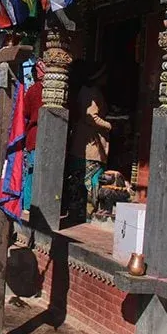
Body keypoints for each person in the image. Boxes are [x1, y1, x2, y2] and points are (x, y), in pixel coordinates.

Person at [69, 62, 111, 221]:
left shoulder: (83, 91)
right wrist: (109, 125)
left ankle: (77, 213)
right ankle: (87, 214)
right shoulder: (92, 92)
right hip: (91, 146)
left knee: (78, 181)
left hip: (81, 144)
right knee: (91, 181)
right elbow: (91, 117)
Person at [20, 61, 44, 210]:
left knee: (32, 172)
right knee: (34, 172)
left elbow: (25, 113)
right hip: (37, 136)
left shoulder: (33, 90)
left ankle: (28, 205)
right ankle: (31, 204)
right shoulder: (35, 90)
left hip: (34, 136)